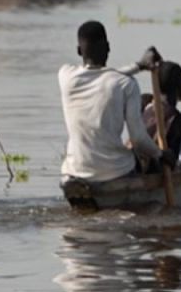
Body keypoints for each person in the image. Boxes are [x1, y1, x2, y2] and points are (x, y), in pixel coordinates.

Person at [58, 21, 173, 186]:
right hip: (115, 171)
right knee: (147, 159)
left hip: (73, 171)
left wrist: (139, 66)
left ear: (78, 50)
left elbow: (101, 77)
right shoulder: (126, 84)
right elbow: (138, 139)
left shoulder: (65, 76)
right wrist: (161, 155)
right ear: (108, 48)